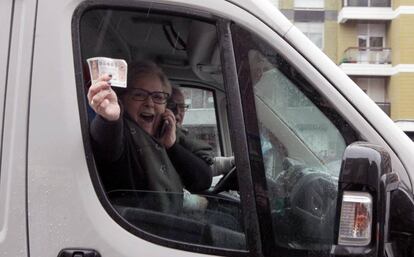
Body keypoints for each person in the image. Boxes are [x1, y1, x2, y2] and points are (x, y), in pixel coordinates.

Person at [87, 61, 212, 212]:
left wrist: (171, 146)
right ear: (123, 100)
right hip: (139, 226)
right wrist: (109, 118)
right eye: (139, 95)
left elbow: (203, 180)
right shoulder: (123, 130)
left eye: (158, 97)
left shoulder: (167, 129)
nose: (149, 103)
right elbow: (106, 144)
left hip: (172, 220)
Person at [167, 86, 235, 176]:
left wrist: (232, 162)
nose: (177, 112)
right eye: (172, 106)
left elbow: (202, 165)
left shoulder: (181, 137)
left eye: (182, 106)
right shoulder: (165, 140)